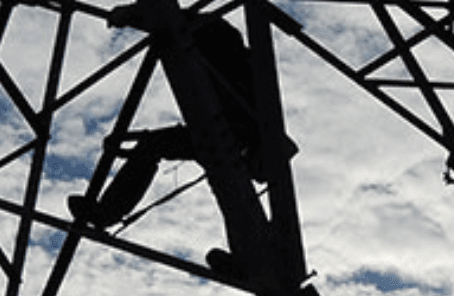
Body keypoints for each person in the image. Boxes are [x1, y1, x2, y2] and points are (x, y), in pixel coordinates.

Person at [69, 14, 293, 229]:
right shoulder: (227, 56)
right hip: (233, 137)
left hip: (245, 140)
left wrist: (131, 14)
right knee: (164, 149)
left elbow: (171, 19)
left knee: (225, 184)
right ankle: (106, 213)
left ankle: (106, 213)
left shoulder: (229, 55)